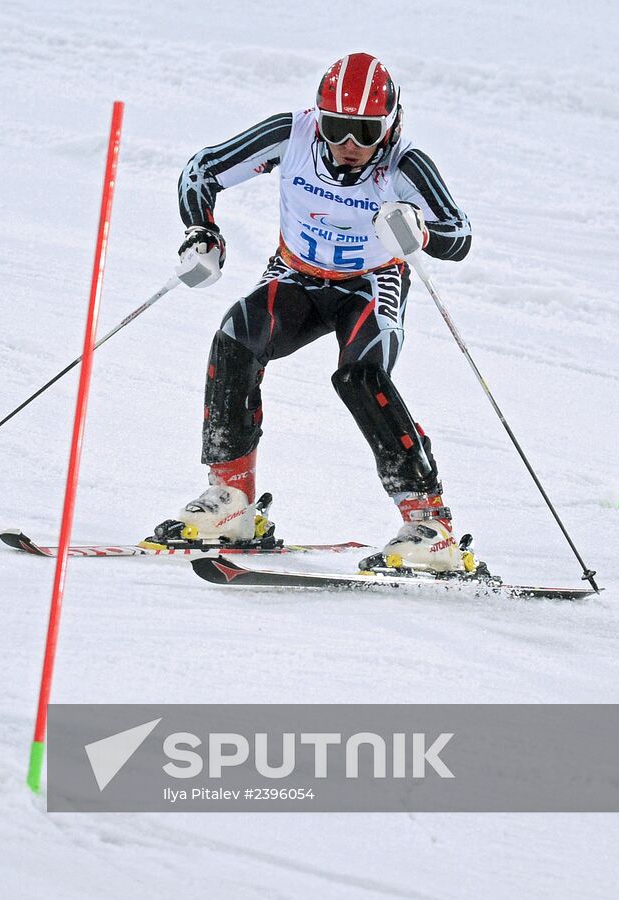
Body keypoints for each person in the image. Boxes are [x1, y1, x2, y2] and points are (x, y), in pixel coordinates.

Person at [167, 52, 475, 573]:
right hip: (296, 275)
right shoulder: (292, 135)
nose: (349, 144)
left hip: (371, 284)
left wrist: (419, 232)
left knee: (360, 375)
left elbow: (460, 235)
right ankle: (233, 502)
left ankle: (429, 525)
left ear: (391, 124)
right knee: (235, 339)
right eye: (336, 127)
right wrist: (202, 232)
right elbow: (202, 170)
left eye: (365, 131)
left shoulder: (404, 164)